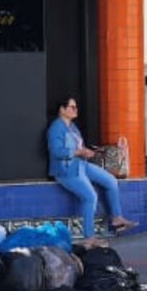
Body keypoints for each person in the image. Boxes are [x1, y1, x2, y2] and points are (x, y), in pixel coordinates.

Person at [47, 96, 138, 247]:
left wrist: (89, 152)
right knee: (90, 197)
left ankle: (116, 217)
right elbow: (56, 151)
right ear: (62, 110)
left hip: (81, 164)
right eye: (71, 107)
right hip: (66, 170)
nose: (75, 110)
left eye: (76, 107)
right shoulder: (56, 128)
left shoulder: (72, 127)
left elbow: (79, 147)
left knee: (111, 181)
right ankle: (88, 237)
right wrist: (80, 152)